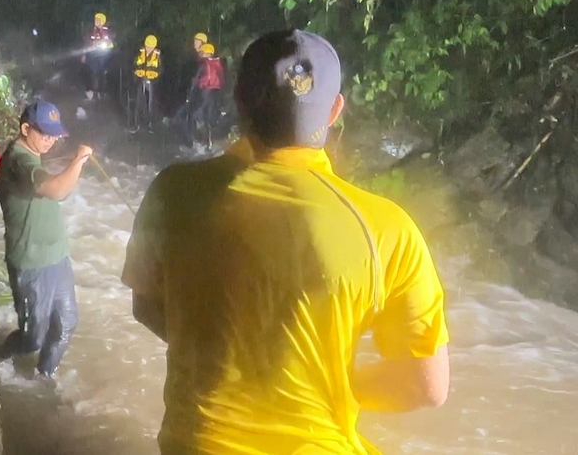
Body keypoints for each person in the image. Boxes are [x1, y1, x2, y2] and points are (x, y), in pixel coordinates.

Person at [122, 29, 450, 454]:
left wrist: (228, 353)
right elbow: (427, 385)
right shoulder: (387, 229)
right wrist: (328, 378)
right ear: (334, 111)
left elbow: (146, 304)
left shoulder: (174, 191)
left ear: (239, 101)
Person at [0, 100, 92, 378]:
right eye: (45, 134)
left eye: (54, 134)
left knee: (67, 323)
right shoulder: (18, 159)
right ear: (26, 129)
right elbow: (56, 190)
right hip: (31, 263)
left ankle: (44, 376)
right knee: (33, 338)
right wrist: (79, 160)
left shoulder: (33, 154)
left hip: (57, 257)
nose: (51, 140)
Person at [182, 42, 225, 149]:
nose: (200, 54)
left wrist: (189, 96)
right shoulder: (218, 64)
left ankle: (191, 141)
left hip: (204, 91)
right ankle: (208, 142)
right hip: (214, 92)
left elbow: (196, 80)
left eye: (203, 53)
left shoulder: (204, 64)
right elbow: (222, 80)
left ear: (208, 54)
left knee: (193, 114)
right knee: (207, 117)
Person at [131, 34, 162, 132]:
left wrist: (154, 78)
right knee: (138, 102)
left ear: (154, 47)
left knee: (150, 104)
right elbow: (135, 65)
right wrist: (136, 76)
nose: (148, 48)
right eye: (147, 46)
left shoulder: (157, 55)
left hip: (151, 83)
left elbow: (160, 69)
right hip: (141, 81)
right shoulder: (141, 53)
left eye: (151, 47)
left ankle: (150, 125)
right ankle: (136, 125)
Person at [82, 12, 114, 101]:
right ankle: (89, 92)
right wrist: (84, 55)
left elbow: (112, 41)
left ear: (102, 21)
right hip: (92, 54)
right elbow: (86, 41)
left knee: (102, 73)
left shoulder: (108, 31)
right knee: (90, 72)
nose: (96, 21)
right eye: (95, 19)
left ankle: (101, 92)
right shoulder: (91, 30)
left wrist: (107, 44)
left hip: (104, 55)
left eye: (98, 20)